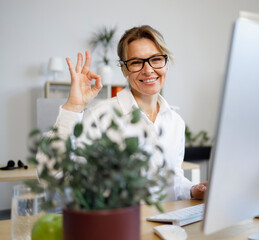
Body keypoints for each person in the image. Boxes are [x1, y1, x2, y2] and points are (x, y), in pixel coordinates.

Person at [53, 25, 207, 200]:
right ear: (124, 69)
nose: (148, 70)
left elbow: (173, 180)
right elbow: (54, 173)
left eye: (156, 59)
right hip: (118, 224)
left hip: (165, 225)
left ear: (166, 63)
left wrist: (193, 190)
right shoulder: (101, 115)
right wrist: (73, 106)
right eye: (136, 62)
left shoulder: (175, 122)